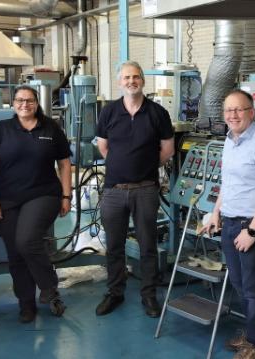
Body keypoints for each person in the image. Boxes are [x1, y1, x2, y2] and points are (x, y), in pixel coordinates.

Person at [199, 89, 255, 359]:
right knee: (238, 282)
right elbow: (228, 183)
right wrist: (215, 214)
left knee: (252, 286)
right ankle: (253, 331)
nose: (233, 115)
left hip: (252, 226)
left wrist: (252, 231)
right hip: (230, 223)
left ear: (251, 112)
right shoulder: (230, 140)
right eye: (228, 110)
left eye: (239, 109)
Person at [94, 60, 175, 318]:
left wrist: (144, 168)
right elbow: (103, 147)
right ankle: (115, 292)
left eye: (136, 77)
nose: (131, 81)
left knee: (147, 245)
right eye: (126, 78)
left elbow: (167, 150)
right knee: (115, 245)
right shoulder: (108, 112)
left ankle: (149, 295)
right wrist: (121, 167)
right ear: (120, 82)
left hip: (146, 189)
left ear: (142, 80)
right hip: (114, 190)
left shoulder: (157, 113)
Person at [0, 85, 72, 323]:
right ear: (13, 104)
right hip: (8, 198)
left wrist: (67, 195)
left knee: (26, 240)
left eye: (30, 100)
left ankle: (48, 287)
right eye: (20, 100)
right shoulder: (1, 130)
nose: (25, 104)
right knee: (16, 253)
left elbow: (64, 164)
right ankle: (26, 304)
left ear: (37, 103)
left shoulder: (51, 128)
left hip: (43, 194)